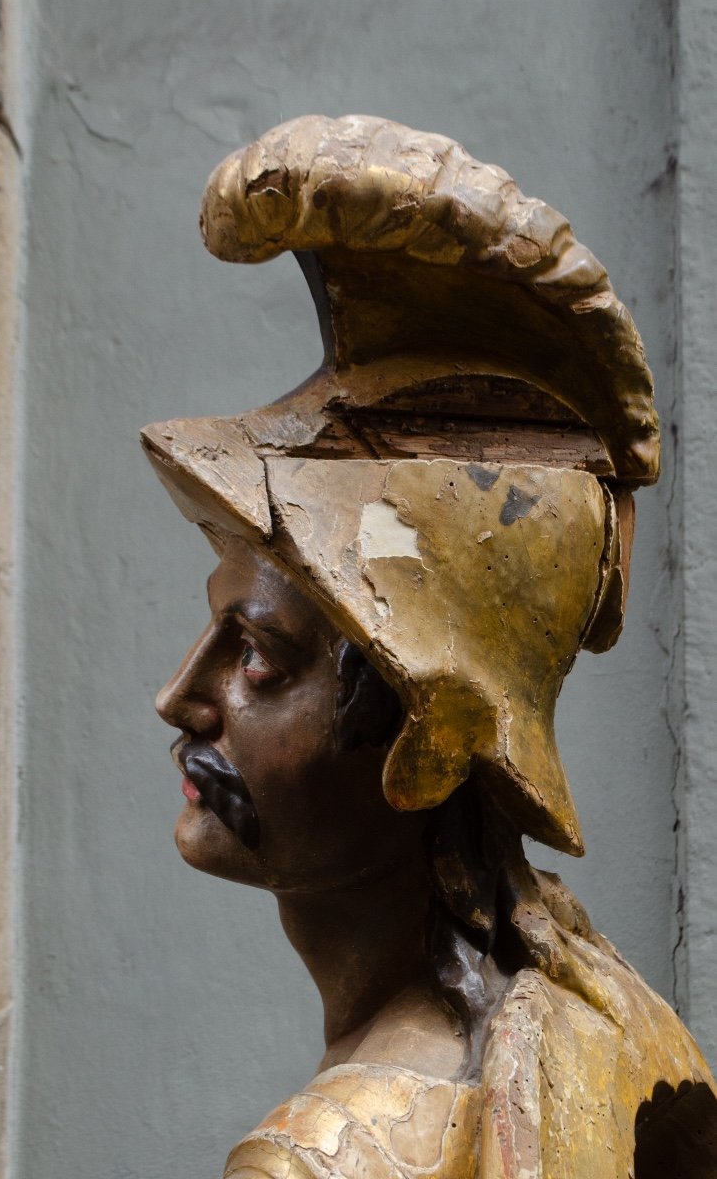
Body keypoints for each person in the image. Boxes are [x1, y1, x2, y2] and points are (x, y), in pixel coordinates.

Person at [142, 116, 717, 1178]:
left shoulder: (322, 1161)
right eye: (212, 635)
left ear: (433, 737)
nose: (181, 698)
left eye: (260, 657)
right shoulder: (615, 1023)